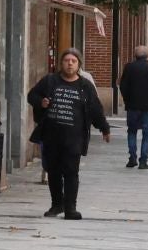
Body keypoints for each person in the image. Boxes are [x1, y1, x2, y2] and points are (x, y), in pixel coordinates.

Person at [29, 48, 112, 219]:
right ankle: (56, 204)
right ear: (61, 64)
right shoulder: (50, 81)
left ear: (79, 65)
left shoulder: (85, 86)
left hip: (74, 137)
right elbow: (32, 95)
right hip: (51, 136)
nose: (70, 64)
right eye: (66, 60)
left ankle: (70, 208)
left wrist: (104, 128)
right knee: (53, 171)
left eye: (73, 61)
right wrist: (41, 102)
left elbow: (95, 109)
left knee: (71, 172)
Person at [118, 45, 148, 170]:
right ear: (147, 55)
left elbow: (123, 86)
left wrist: (127, 100)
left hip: (132, 106)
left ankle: (132, 158)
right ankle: (143, 161)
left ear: (135, 55)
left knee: (132, 131)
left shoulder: (129, 68)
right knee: (147, 133)